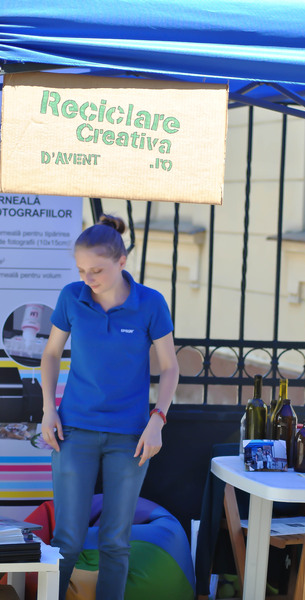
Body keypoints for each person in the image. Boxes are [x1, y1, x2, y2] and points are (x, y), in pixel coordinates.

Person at [40, 214, 179, 600]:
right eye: (82, 270)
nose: (88, 278)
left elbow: (170, 367)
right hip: (74, 431)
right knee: (67, 539)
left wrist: (158, 419)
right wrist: (48, 409)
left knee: (116, 542)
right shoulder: (72, 296)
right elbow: (50, 354)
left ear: (122, 261)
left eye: (97, 270)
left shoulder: (150, 303)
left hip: (130, 437)